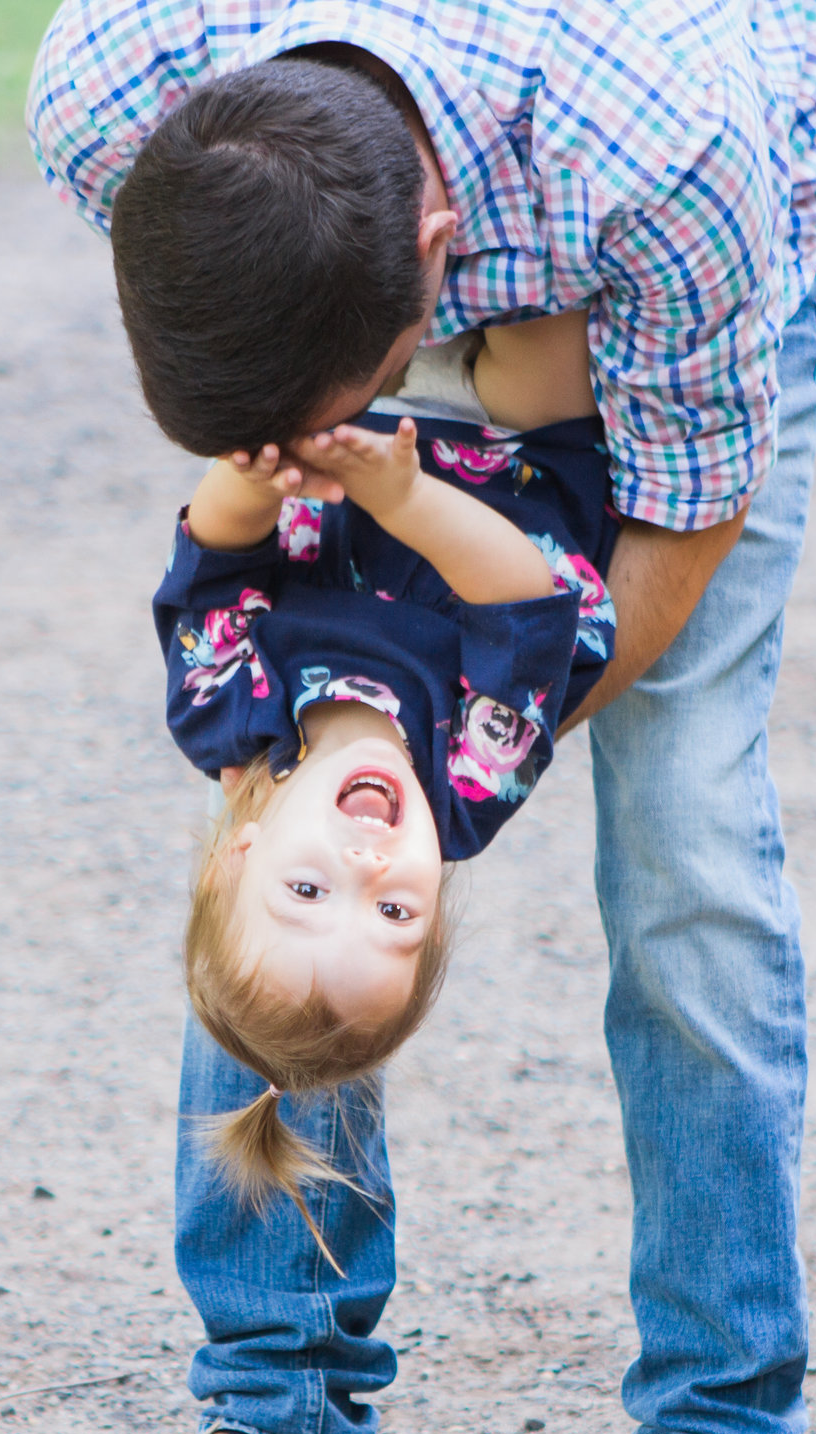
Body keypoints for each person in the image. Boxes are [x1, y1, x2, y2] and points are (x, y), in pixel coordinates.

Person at [0, 6, 816, 1434]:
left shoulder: (668, 158)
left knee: (689, 868)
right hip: (418, 456)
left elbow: (632, 566)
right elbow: (232, 527)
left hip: (637, 373)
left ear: (438, 254)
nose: (374, 876)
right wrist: (354, 825)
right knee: (265, 908)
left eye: (365, 886)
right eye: (398, 906)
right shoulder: (111, 92)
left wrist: (433, 766)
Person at [160, 315, 615, 1255]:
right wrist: (405, 501)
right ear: (438, 910)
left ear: (237, 857)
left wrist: (251, 479)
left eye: (309, 890)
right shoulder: (471, 777)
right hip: (513, 460)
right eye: (395, 912)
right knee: (538, 350)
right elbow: (520, 599)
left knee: (319, 317)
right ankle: (529, 231)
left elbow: (208, 562)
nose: (365, 864)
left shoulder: (224, 713)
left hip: (345, 411)